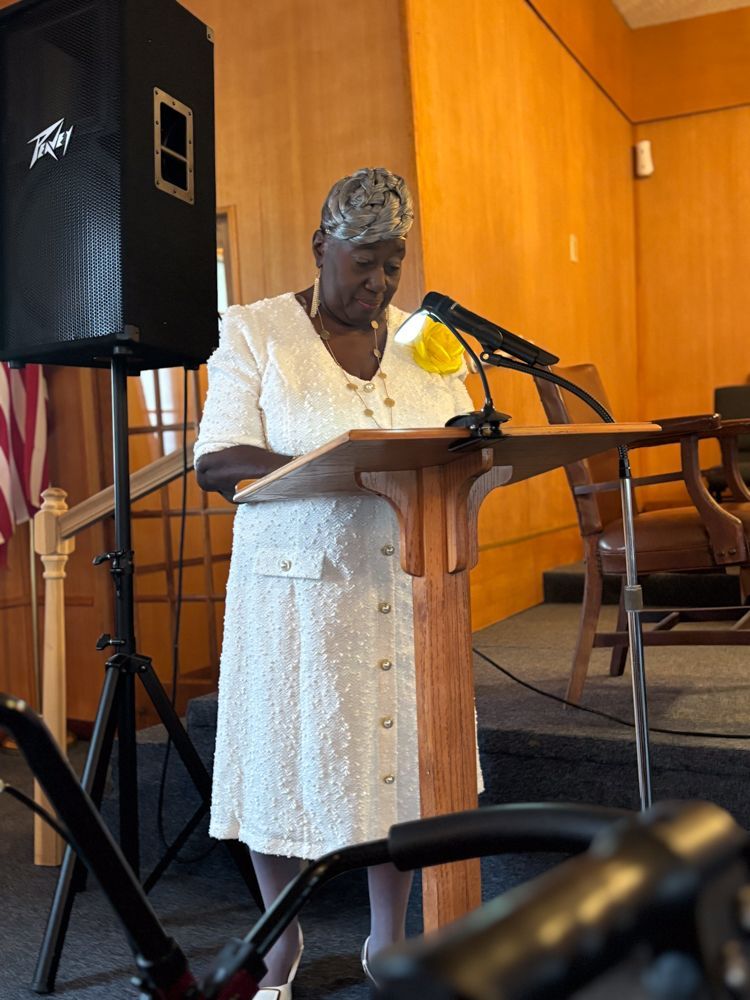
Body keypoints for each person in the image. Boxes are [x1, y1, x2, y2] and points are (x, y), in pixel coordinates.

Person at [195, 167, 473, 998]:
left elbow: (467, 437)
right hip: (293, 594)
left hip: (405, 582)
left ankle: (388, 944)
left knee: (400, 763)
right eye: (364, 262)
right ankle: (278, 950)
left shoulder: (425, 337)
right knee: (283, 762)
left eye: (394, 263)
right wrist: (337, 469)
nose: (380, 283)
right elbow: (216, 460)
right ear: (322, 247)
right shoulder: (255, 331)